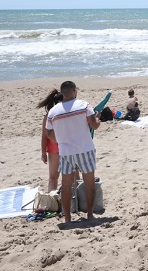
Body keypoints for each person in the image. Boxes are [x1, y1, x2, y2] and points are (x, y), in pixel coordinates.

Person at [45, 81, 100, 223]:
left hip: (65, 152)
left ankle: (68, 218)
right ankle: (89, 215)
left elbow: (49, 133)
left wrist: (62, 140)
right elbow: (94, 125)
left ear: (62, 93)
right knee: (89, 183)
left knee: (66, 185)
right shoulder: (84, 105)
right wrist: (99, 119)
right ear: (75, 91)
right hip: (85, 149)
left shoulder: (53, 111)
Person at [37, 89, 64, 192]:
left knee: (56, 177)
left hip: (58, 148)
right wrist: (43, 152)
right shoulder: (50, 115)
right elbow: (44, 135)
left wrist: (44, 152)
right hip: (56, 148)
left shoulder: (50, 114)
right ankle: (52, 200)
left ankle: (54, 200)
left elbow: (44, 135)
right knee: (54, 177)